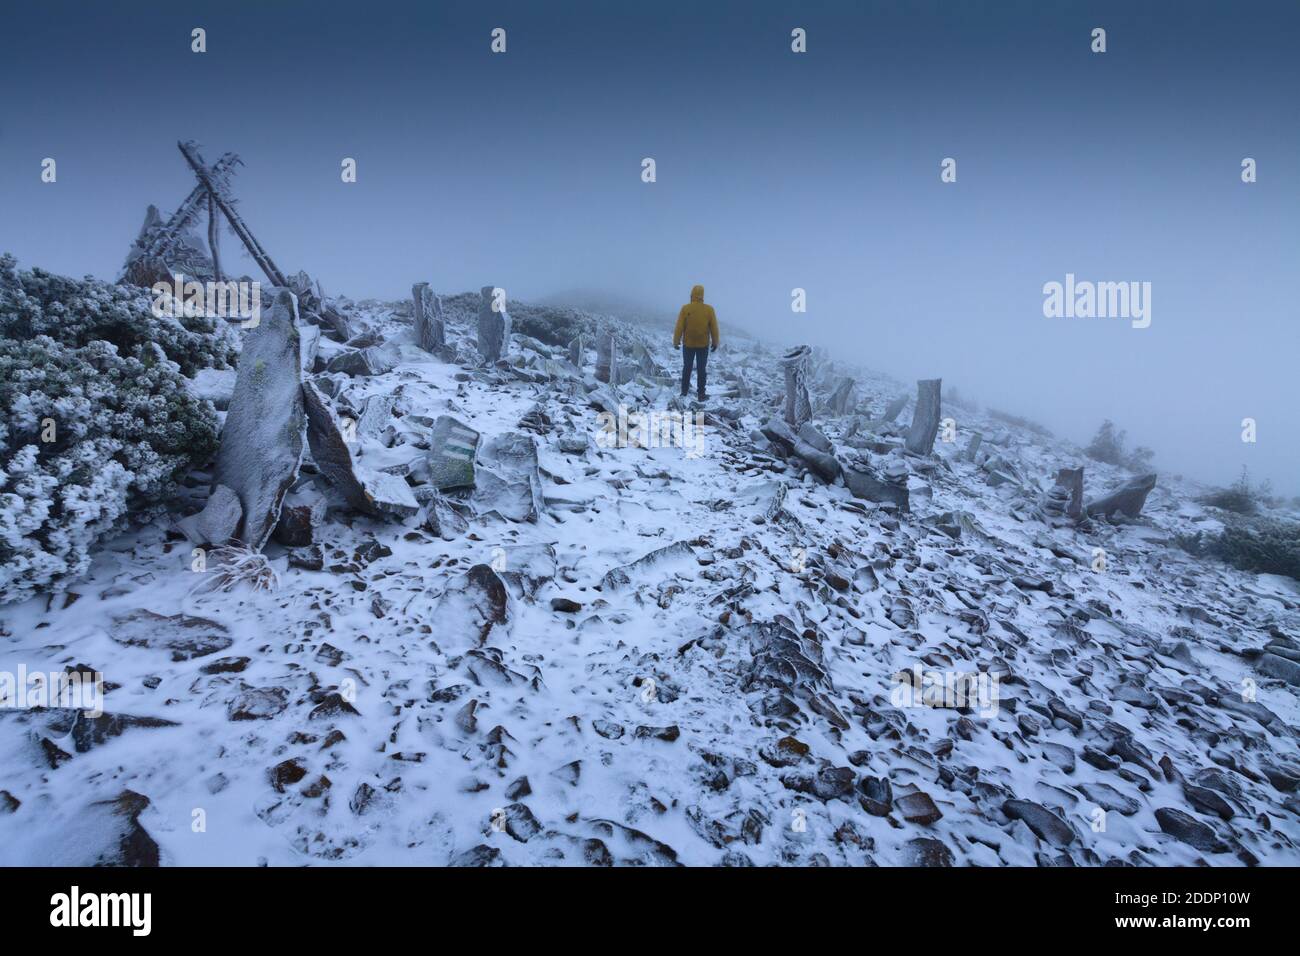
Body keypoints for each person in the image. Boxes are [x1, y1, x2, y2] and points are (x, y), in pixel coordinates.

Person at [673, 284, 719, 400]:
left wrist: (676, 341)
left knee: (687, 367)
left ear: (692, 294)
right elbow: (714, 327)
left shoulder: (685, 308)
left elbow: (679, 326)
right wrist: (715, 342)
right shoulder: (709, 309)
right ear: (702, 296)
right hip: (703, 345)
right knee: (701, 369)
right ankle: (701, 393)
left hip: (688, 344)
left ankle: (684, 391)